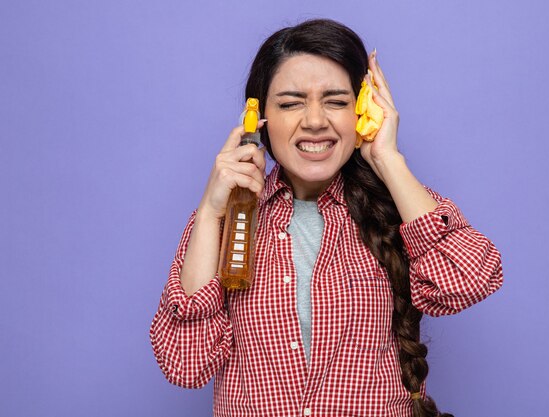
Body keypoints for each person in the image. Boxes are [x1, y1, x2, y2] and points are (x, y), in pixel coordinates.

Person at [149, 18, 503, 417]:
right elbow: (185, 363)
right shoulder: (225, 222)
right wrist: (212, 209)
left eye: (336, 101)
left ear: (363, 110)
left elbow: (470, 281)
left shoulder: (396, 209)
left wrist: (388, 159)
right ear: (259, 118)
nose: (315, 121)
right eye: (290, 102)